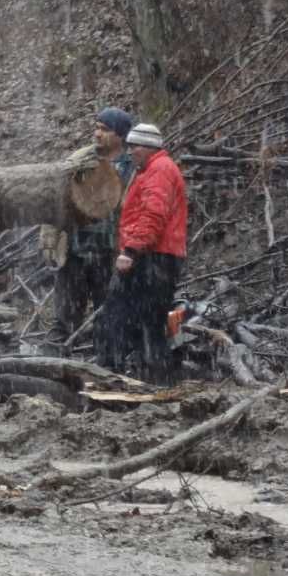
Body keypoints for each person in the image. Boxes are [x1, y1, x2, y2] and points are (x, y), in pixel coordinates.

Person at [97, 122, 188, 383]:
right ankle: (148, 376)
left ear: (149, 147)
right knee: (147, 322)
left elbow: (152, 215)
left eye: (135, 146)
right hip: (156, 256)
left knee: (121, 317)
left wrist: (130, 250)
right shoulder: (152, 169)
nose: (130, 151)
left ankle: (113, 375)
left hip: (152, 257)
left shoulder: (159, 171)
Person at [48, 107, 136, 351]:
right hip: (74, 250)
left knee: (108, 312)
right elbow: (56, 198)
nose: (97, 134)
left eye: (105, 130)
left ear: (121, 135)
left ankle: (106, 364)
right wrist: (49, 237)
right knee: (65, 316)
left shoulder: (132, 167)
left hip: (109, 252)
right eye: (96, 128)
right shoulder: (81, 159)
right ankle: (53, 364)